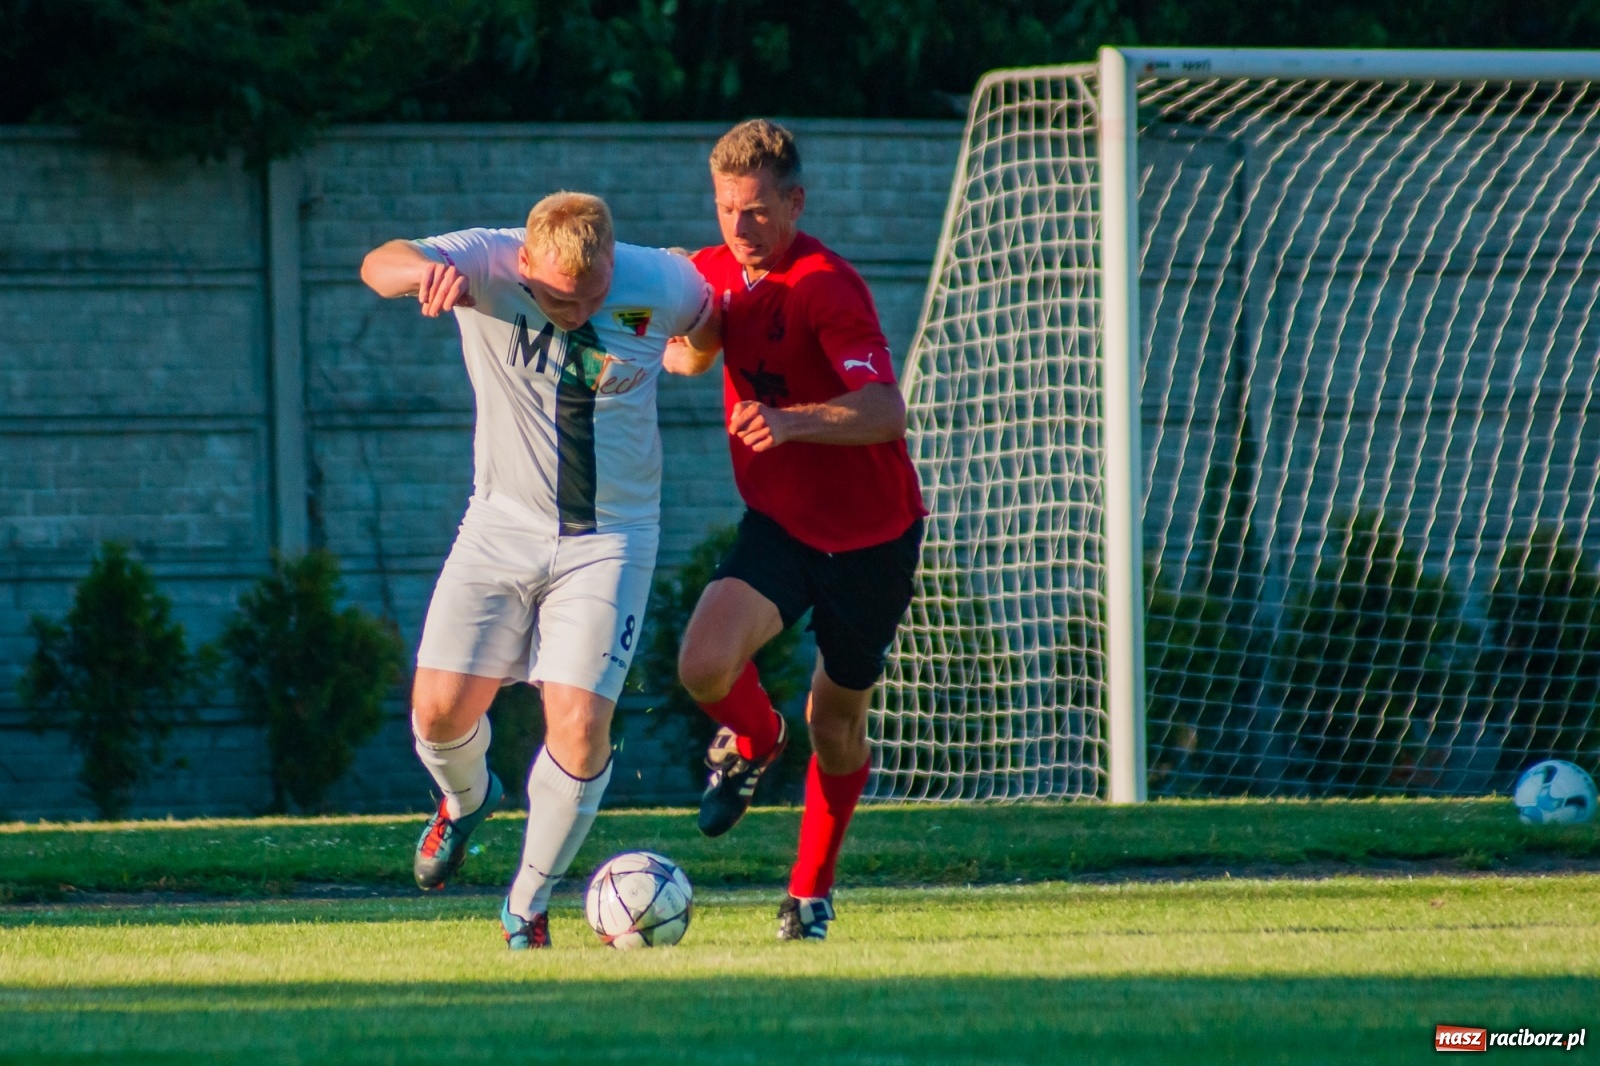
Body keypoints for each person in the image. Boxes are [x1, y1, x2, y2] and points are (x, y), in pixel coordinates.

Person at [360, 192, 714, 949]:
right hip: (499, 526)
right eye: (556, 296)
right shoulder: (487, 256)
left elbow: (706, 325)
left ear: (613, 267)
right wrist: (423, 274)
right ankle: (465, 802)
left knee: (581, 726)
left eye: (590, 297)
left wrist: (685, 353)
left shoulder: (660, 280)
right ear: (525, 262)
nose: (574, 310)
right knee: (437, 715)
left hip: (611, 539)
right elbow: (376, 264)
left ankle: (527, 904)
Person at [664, 120, 926, 941]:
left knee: (838, 723)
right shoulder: (710, 272)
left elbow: (886, 411)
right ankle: (754, 738)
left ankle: (808, 892)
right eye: (725, 208)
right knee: (704, 664)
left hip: (872, 537)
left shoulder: (827, 285)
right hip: (781, 525)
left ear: (794, 203)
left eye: (756, 211)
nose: (738, 228)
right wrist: (687, 343)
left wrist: (791, 420)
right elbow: (680, 350)